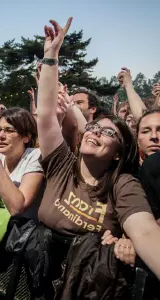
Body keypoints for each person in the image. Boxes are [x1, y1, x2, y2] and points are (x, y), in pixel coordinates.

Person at [36, 17, 160, 281]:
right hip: (38, 278)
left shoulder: (123, 185)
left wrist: (129, 239)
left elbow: (147, 232)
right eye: (94, 128)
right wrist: (51, 54)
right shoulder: (61, 165)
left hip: (86, 286)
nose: (96, 132)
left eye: (108, 133)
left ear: (118, 152)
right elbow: (45, 114)